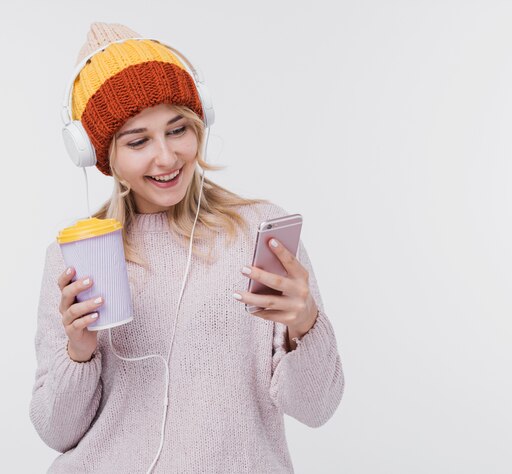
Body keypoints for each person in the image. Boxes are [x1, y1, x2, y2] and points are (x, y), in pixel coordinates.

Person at [29, 22, 344, 473]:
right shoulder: (73, 256)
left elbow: (318, 409)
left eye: (178, 130)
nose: (166, 156)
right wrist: (79, 351)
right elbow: (56, 432)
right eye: (138, 140)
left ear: (201, 124)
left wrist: (305, 323)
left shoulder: (260, 231)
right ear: (99, 154)